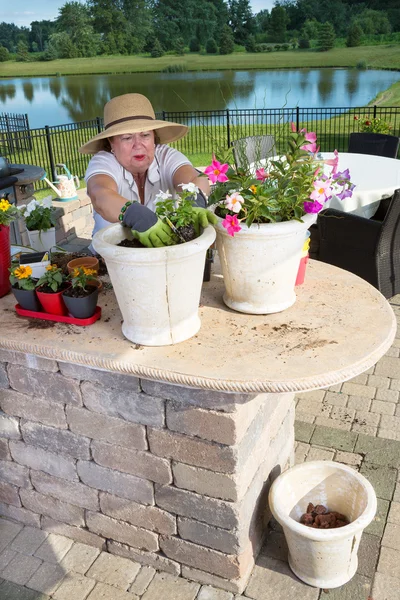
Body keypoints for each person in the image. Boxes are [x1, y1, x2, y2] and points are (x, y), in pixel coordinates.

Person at [79, 93, 216, 250]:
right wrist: (134, 213)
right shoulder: (103, 161)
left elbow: (194, 177)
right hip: (110, 259)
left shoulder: (165, 155)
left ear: (154, 137)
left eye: (145, 135)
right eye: (127, 138)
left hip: (163, 253)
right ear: (111, 142)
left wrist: (196, 198)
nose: (138, 145)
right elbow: (100, 194)